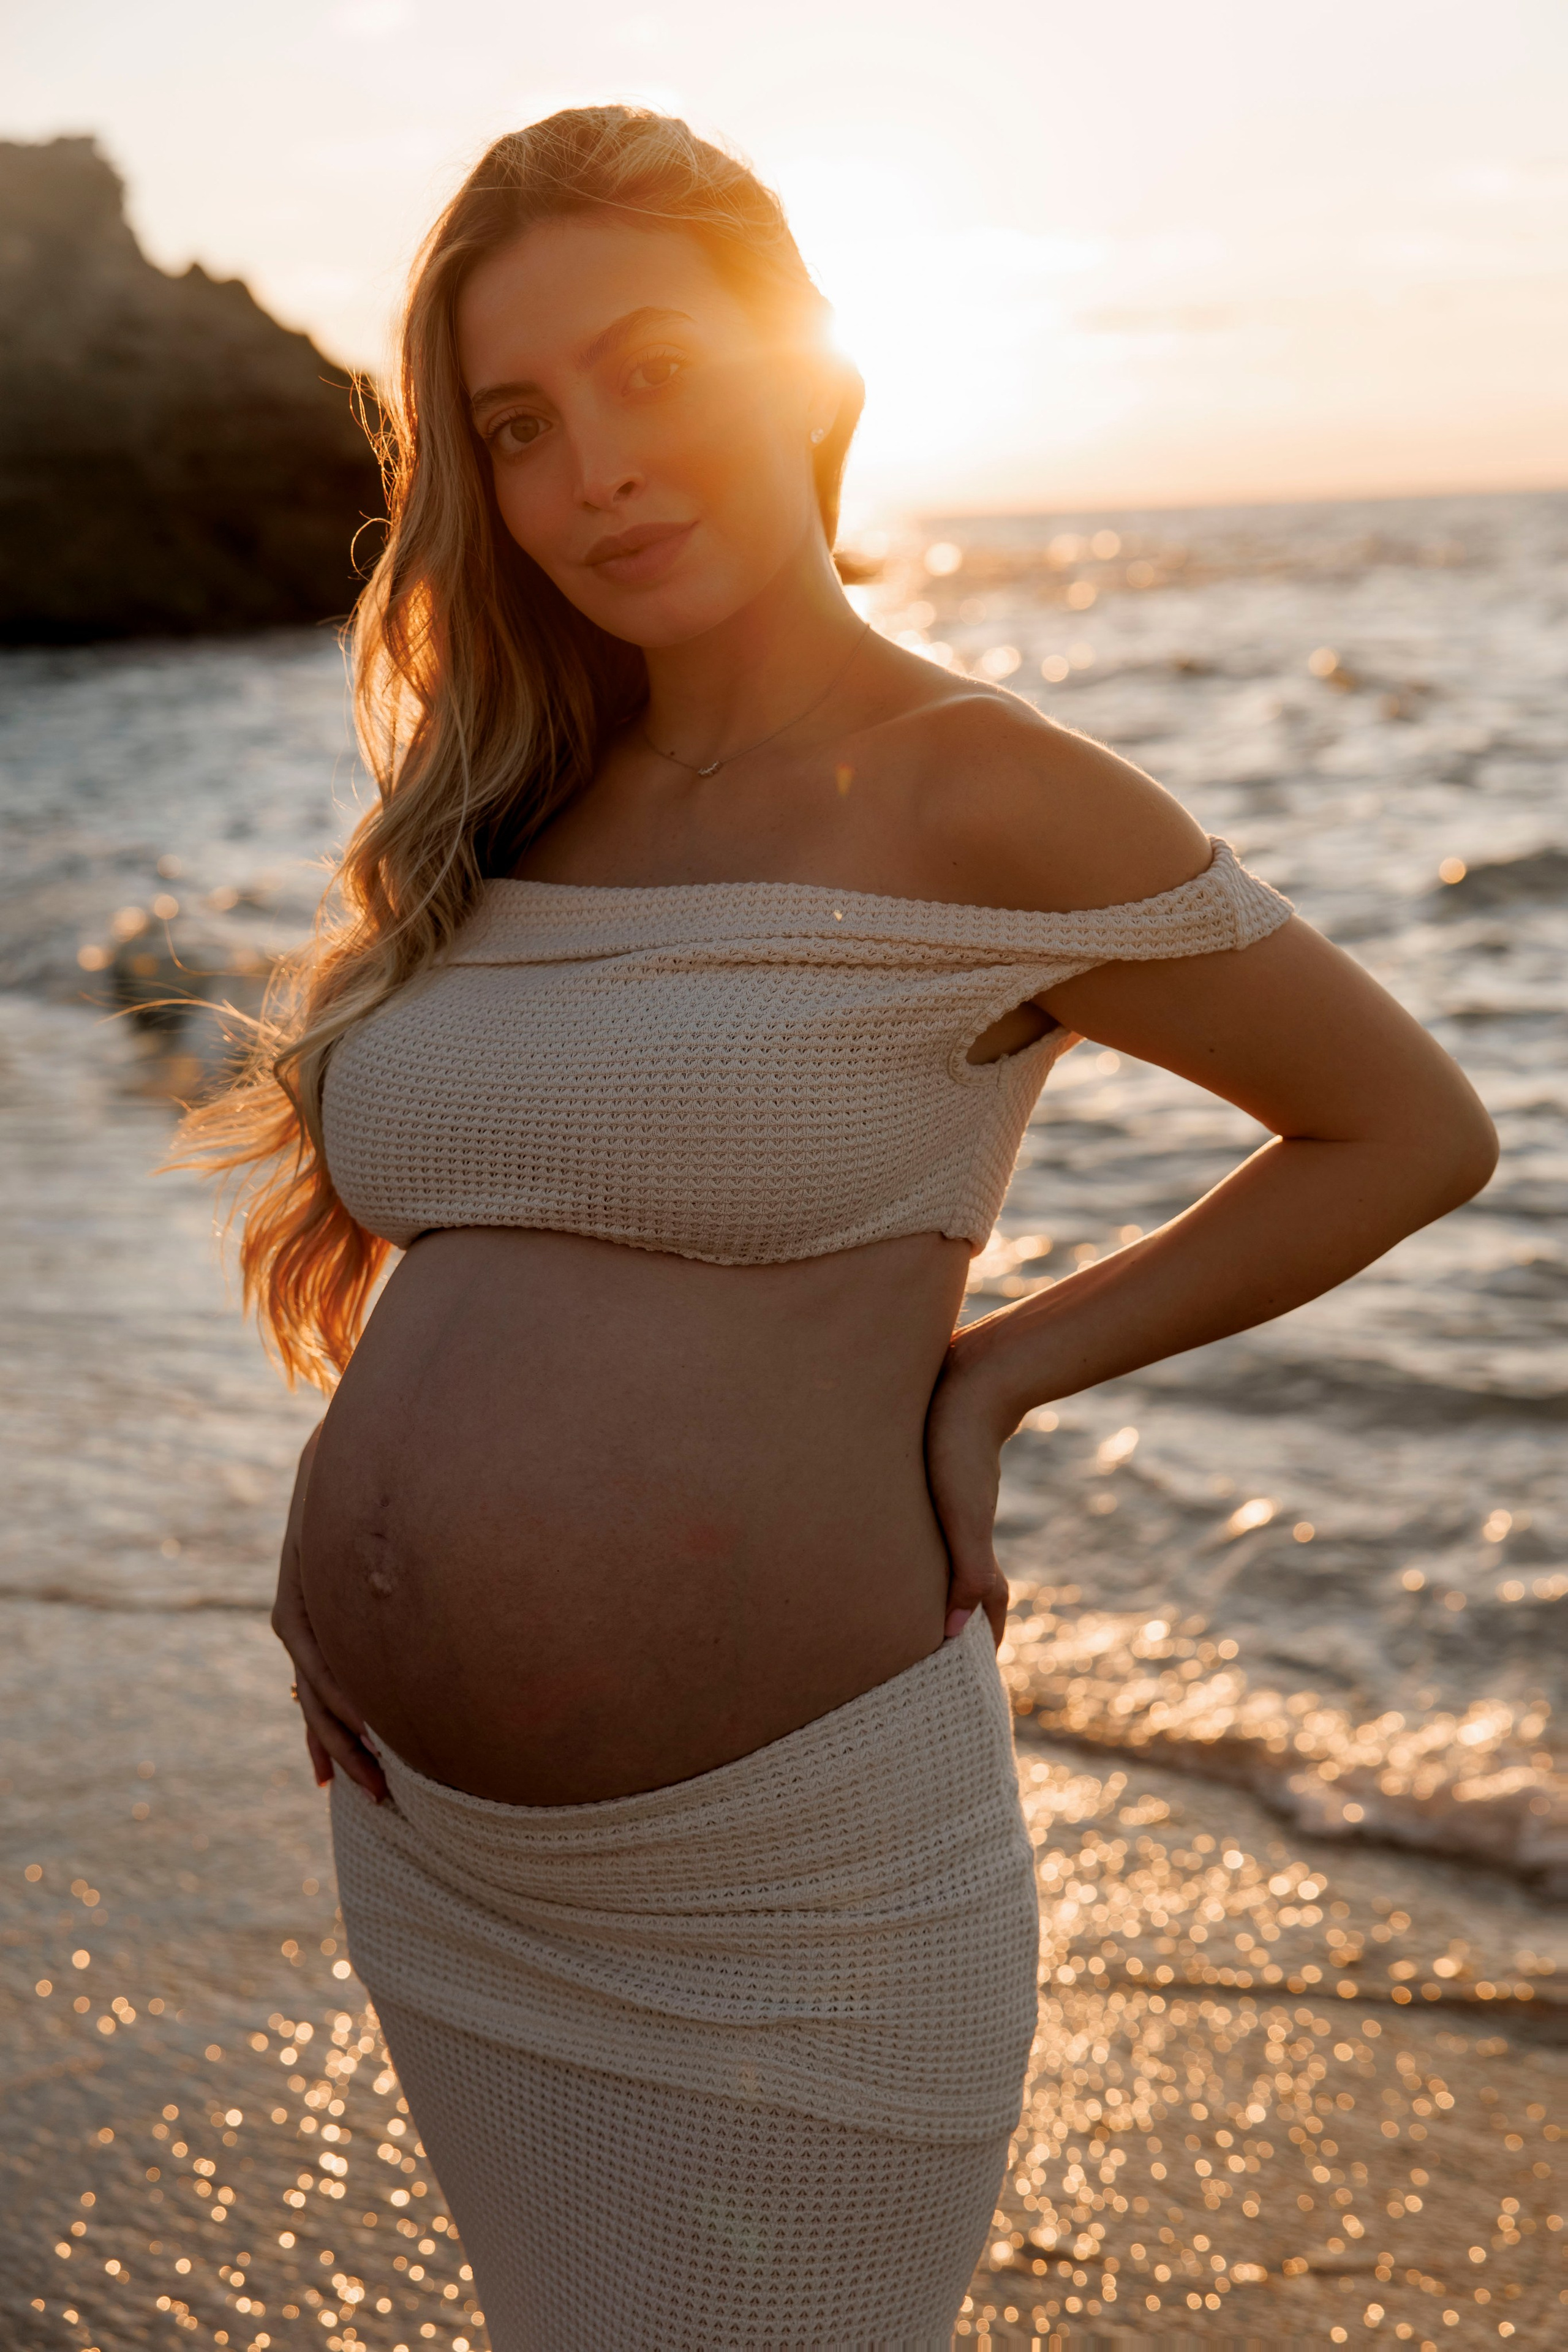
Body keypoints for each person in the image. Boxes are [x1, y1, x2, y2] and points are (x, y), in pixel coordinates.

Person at [180, 105, 1497, 2350]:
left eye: (654, 369)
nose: (593, 465)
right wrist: (367, 1587)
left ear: (806, 362)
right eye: (519, 423)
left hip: (788, 1897)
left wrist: (1001, 1372)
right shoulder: (505, 810)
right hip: (435, 1857)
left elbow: (1405, 1131)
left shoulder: (987, 786)